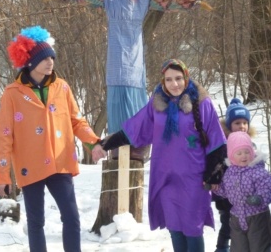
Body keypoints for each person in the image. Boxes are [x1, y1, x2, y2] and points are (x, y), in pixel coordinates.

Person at [42, 0, 212, 161]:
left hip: (134, 55)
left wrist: (193, 3)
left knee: (135, 94)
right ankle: (117, 142)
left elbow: (169, 1)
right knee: (117, 92)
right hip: (115, 55)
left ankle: (138, 141)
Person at [92, 58, 227, 252]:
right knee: (174, 227)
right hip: (165, 178)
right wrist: (105, 144)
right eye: (169, 79)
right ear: (163, 81)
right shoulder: (157, 104)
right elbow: (134, 129)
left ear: (186, 78)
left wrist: (214, 173)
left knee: (192, 227)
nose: (174, 84)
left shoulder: (201, 102)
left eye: (178, 78)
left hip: (194, 178)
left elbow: (216, 140)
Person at [0, 26, 102, 252]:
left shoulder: (61, 87)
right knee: (36, 222)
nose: (50, 61)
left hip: (60, 163)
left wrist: (94, 143)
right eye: (44, 58)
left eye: (52, 56)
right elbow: (4, 136)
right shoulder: (12, 93)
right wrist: (2, 175)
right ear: (30, 62)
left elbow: (76, 121)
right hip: (29, 166)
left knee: (71, 216)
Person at [212, 131, 271, 252]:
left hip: (257, 217)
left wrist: (259, 198)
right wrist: (217, 189)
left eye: (247, 152)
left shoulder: (258, 172)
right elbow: (226, 191)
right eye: (239, 153)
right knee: (239, 248)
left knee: (259, 246)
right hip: (236, 217)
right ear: (232, 156)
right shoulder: (229, 173)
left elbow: (267, 189)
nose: (244, 156)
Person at [212, 98, 256, 252]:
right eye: (237, 123)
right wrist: (217, 187)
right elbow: (217, 167)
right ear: (230, 125)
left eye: (244, 122)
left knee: (246, 227)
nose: (241, 126)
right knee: (228, 226)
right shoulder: (223, 144)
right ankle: (222, 249)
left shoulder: (251, 144)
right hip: (227, 196)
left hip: (246, 196)